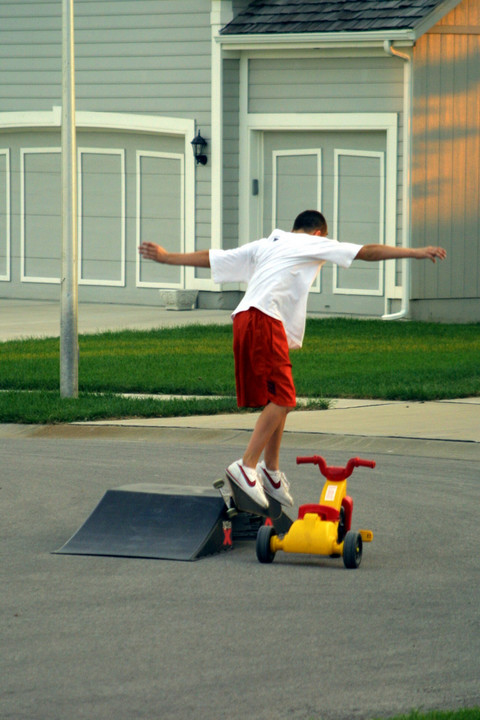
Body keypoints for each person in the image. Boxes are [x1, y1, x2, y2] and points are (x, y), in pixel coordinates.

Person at [138, 209, 446, 509]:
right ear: (318, 233)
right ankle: (246, 466)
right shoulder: (311, 242)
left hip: (245, 320)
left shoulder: (266, 245)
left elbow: (215, 257)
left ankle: (271, 472)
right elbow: (366, 252)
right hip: (264, 319)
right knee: (284, 399)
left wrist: (167, 257)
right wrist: (415, 252)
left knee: (280, 398)